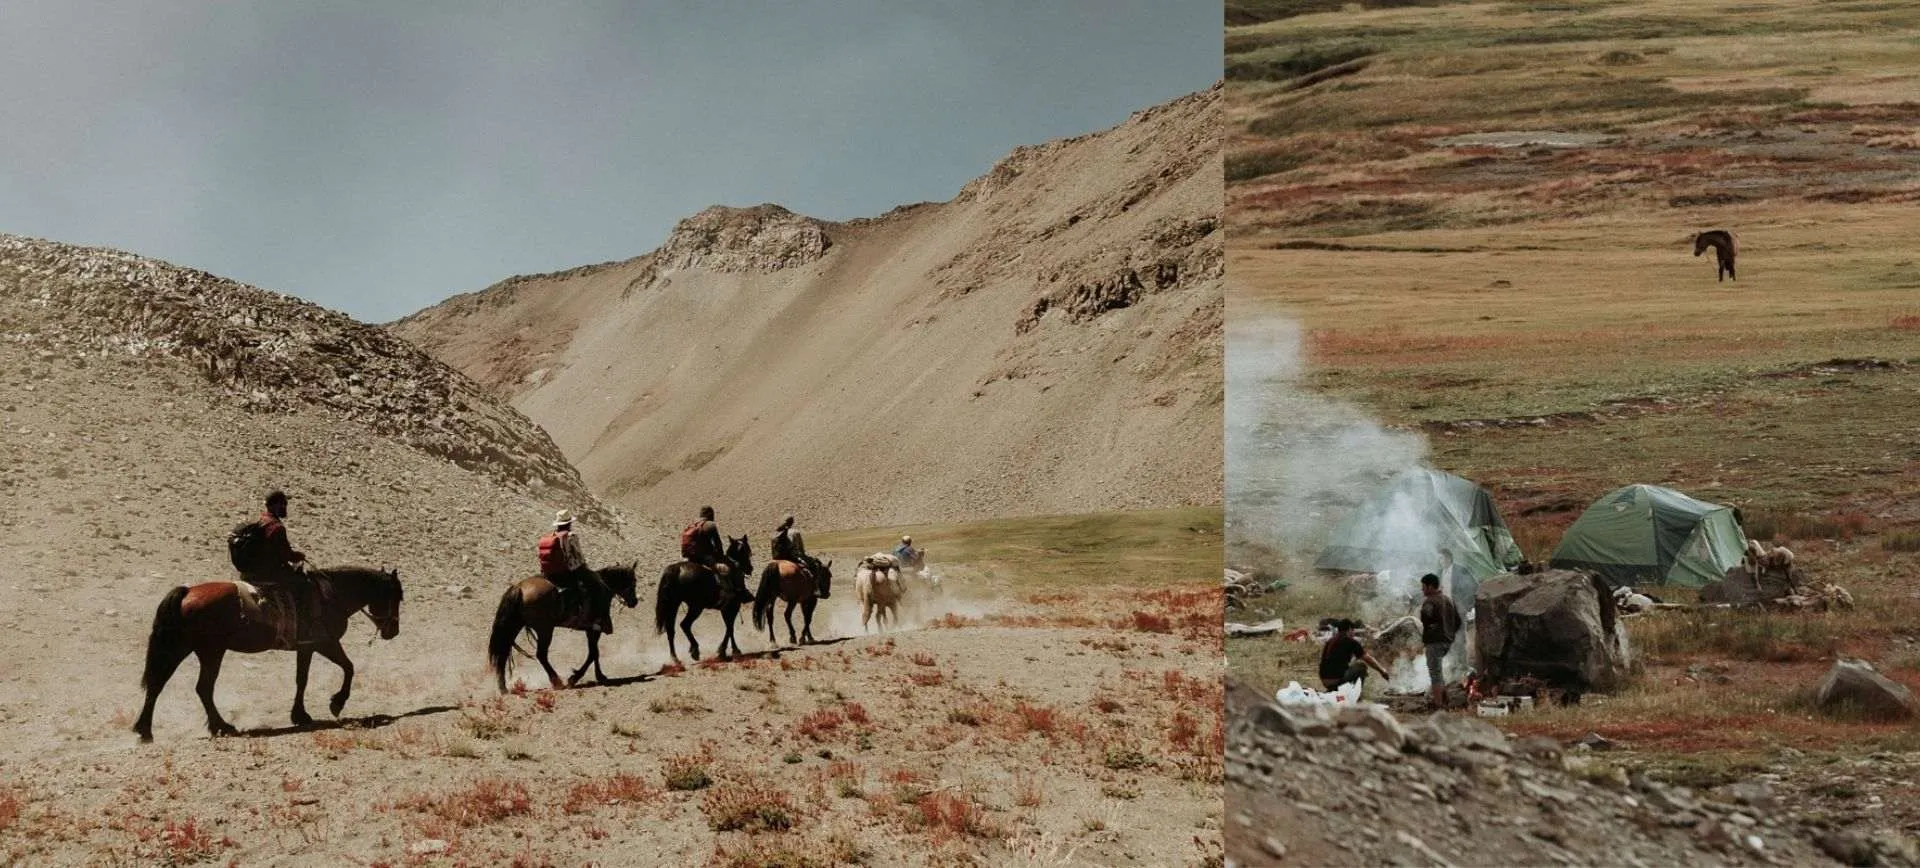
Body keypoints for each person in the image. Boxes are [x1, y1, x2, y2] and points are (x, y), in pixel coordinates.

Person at [247, 490, 319, 646]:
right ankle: (303, 629)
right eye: (283, 504)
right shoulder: (276, 527)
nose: (285, 507)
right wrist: (298, 555)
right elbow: (286, 554)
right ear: (274, 505)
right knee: (305, 585)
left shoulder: (260, 520)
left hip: (253, 570)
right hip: (269, 573)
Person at [540, 510, 613, 634]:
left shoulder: (553, 535)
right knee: (598, 586)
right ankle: (591, 620)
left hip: (551, 572)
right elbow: (578, 555)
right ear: (569, 524)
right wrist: (585, 567)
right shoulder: (571, 535)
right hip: (572, 570)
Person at [1420, 573, 1465, 710]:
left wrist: (1431, 629)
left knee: (1435, 673)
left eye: (1424, 587)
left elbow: (1426, 618)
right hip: (1447, 642)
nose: (1422, 590)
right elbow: (1458, 622)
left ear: (1431, 586)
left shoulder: (1430, 601)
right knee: (1438, 671)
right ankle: (1445, 700)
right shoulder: (1448, 599)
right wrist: (1449, 634)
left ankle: (1438, 705)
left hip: (1434, 641)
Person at [685, 506, 750, 601]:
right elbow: (718, 544)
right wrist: (720, 557)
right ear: (709, 514)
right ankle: (740, 591)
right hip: (705, 558)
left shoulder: (692, 524)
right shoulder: (710, 525)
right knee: (735, 565)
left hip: (690, 557)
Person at [1317, 619, 1389, 692]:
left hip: (1324, 680)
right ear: (1349, 629)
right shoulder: (1350, 641)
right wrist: (1382, 671)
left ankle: (1334, 689)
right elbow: (1367, 658)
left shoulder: (1330, 640)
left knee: (1354, 664)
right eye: (1353, 630)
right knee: (1361, 666)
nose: (1354, 633)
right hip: (1336, 680)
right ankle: (1355, 693)